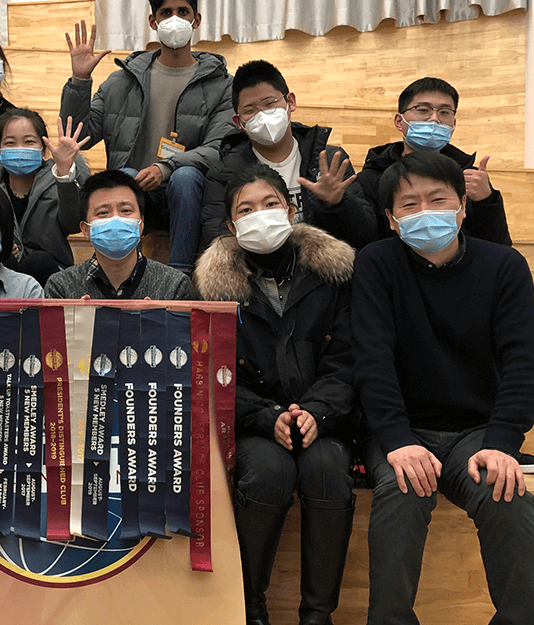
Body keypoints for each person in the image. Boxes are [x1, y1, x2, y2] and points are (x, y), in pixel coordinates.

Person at [352, 151, 534, 624]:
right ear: (391, 219)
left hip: (477, 431)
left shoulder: (506, 267)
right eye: (409, 204)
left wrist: (502, 444)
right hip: (400, 429)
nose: (425, 212)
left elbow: (523, 363)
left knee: (509, 498)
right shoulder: (375, 264)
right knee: (401, 492)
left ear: (462, 207)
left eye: (438, 199)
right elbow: (373, 360)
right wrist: (398, 441)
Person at [195, 164, 356, 625]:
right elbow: (213, 372)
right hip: (252, 423)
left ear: (290, 209)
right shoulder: (211, 287)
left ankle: (317, 615)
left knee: (327, 469)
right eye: (246, 209)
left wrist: (315, 413)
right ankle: (250, 608)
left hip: (325, 418)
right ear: (231, 225)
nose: (260, 215)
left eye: (270, 204)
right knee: (267, 472)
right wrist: (268, 417)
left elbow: (349, 359)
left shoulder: (336, 272)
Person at [59, 0, 235, 273]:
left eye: (183, 12)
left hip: (191, 200)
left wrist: (166, 167)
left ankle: (180, 275)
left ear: (197, 20)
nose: (174, 20)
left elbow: (221, 146)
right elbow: (78, 135)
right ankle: (124, 270)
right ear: (153, 22)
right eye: (166, 13)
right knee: (124, 176)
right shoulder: (121, 81)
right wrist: (80, 80)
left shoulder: (222, 85)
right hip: (135, 199)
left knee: (185, 177)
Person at [201, 60, 376, 251]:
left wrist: (337, 203)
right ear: (238, 122)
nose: (262, 115)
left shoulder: (330, 161)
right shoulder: (224, 173)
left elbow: (366, 235)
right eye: (249, 110)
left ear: (290, 102)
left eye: (270, 103)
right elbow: (218, 241)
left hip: (321, 271)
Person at [358, 76, 512, 245]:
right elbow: (362, 241)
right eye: (423, 110)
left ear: (453, 124)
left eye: (444, 112)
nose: (434, 119)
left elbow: (499, 247)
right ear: (399, 121)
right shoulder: (371, 178)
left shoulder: (470, 177)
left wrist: (487, 201)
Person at [45, 169, 194, 300]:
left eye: (126, 210)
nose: (116, 218)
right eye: (103, 213)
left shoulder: (175, 286)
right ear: (85, 229)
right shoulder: (61, 288)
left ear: (141, 224)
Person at [0, 108, 90, 285]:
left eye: (28, 142)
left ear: (43, 150)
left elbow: (73, 225)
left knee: (39, 261)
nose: (20, 149)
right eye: (10, 143)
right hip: (0, 274)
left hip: (50, 272)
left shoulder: (57, 179)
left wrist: (64, 175)